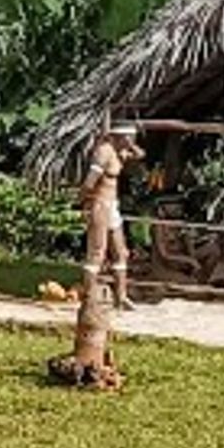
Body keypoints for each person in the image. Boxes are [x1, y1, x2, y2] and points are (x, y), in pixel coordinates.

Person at [81, 125, 141, 310]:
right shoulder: (104, 152)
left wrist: (130, 146)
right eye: (129, 137)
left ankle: (121, 296)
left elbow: (140, 155)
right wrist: (86, 204)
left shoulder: (119, 152)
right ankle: (89, 297)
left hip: (112, 206)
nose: (132, 140)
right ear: (119, 136)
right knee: (97, 252)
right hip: (100, 204)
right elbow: (89, 182)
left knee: (121, 252)